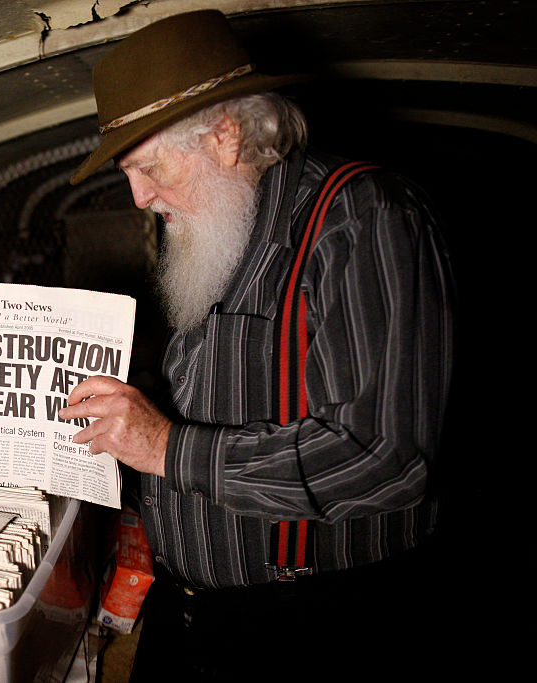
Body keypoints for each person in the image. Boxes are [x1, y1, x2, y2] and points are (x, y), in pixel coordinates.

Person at [59, 10, 456, 680]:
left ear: (225, 136)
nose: (139, 196)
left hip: (314, 630)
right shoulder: (218, 231)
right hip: (189, 614)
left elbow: (386, 457)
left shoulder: (363, 219)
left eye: (149, 167)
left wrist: (163, 444)